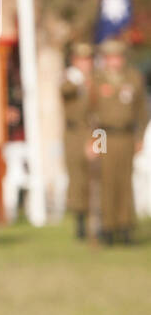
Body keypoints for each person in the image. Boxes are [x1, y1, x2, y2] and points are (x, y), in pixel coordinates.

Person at [90, 39, 148, 245]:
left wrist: (139, 137)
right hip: (104, 135)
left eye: (117, 57)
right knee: (106, 181)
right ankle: (107, 228)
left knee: (125, 181)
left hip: (125, 135)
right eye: (110, 57)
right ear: (105, 60)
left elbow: (142, 110)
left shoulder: (133, 78)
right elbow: (90, 112)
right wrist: (93, 142)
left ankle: (125, 227)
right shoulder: (96, 79)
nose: (114, 61)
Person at [60, 42, 96, 239]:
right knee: (78, 178)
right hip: (75, 133)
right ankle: (80, 223)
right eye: (81, 60)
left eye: (88, 59)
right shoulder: (70, 78)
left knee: (99, 175)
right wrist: (80, 80)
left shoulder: (99, 78)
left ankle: (101, 221)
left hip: (97, 132)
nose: (85, 63)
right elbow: (65, 91)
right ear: (75, 61)